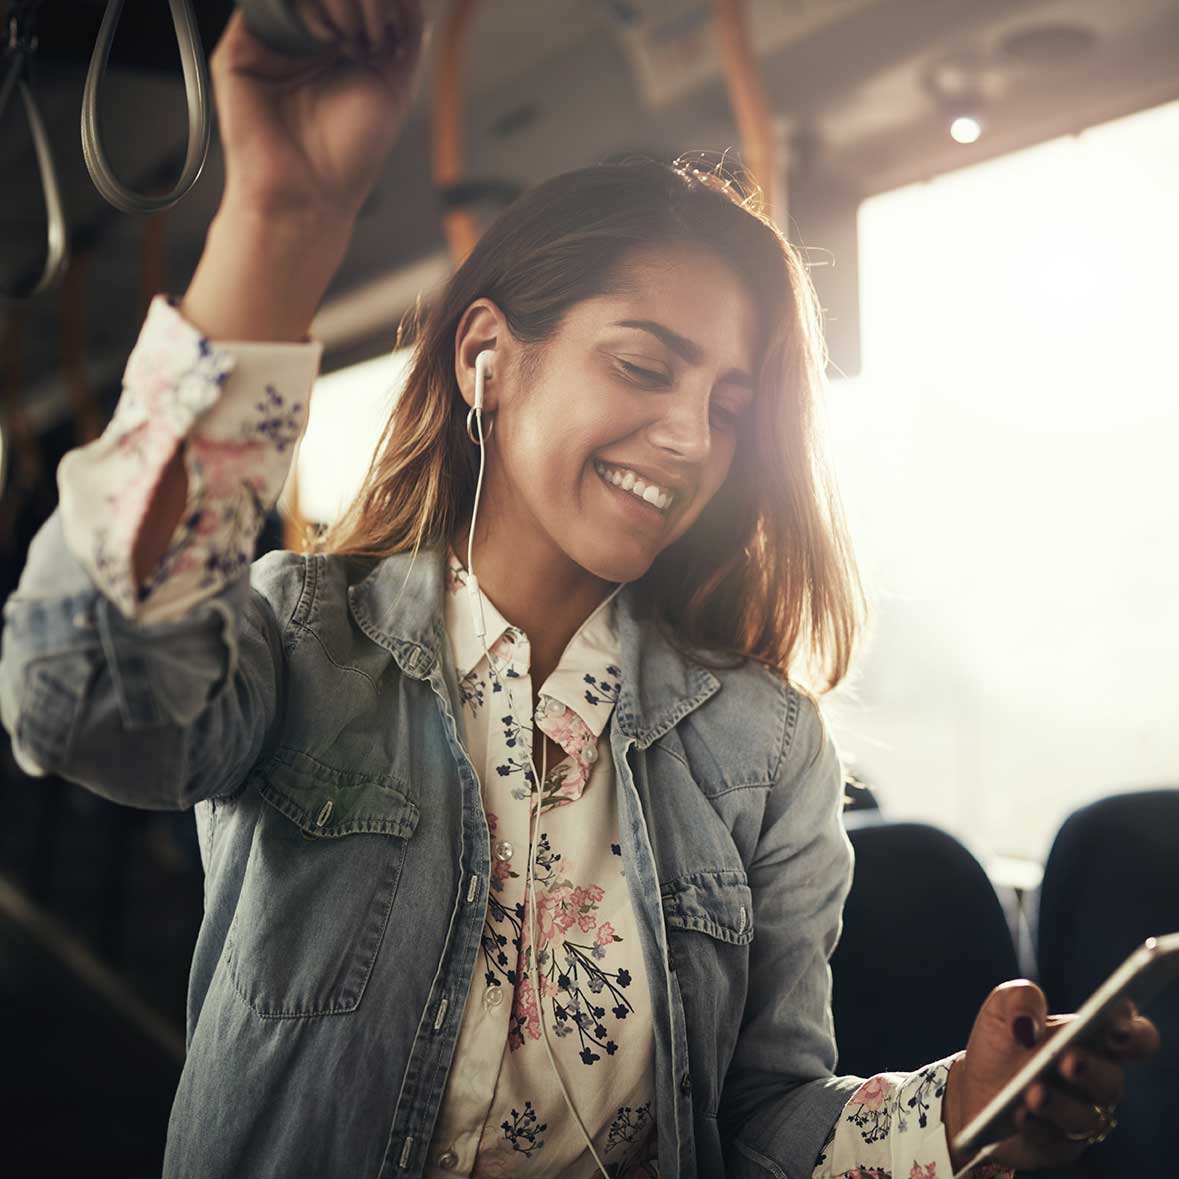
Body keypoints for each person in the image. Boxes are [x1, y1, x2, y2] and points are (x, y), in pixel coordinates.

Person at [0, 3, 1159, 1177]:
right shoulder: (307, 636)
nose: (689, 437)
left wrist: (953, 1112)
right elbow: (79, 701)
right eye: (645, 365)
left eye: (729, 408)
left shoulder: (764, 744)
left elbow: (759, 1121)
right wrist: (281, 222)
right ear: (486, 359)